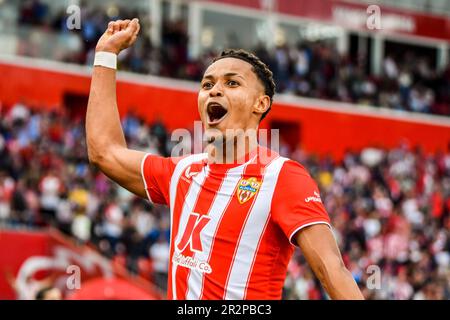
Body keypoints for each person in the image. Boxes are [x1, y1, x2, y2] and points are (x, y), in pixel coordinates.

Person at [86, 18, 364, 300]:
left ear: (261, 104)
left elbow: (332, 271)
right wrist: (106, 55)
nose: (215, 90)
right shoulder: (182, 171)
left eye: (232, 83)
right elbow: (104, 152)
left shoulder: (282, 177)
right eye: (207, 84)